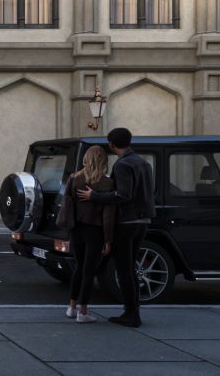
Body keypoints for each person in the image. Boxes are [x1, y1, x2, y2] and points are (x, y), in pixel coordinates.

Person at [77, 126, 154, 328]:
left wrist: (94, 196)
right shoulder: (144, 163)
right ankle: (133, 312)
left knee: (125, 270)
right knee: (130, 269)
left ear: (111, 144)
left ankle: (131, 314)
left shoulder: (123, 165)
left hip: (126, 222)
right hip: (143, 221)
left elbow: (123, 195)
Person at [58, 143, 116, 323]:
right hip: (95, 231)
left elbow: (67, 204)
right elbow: (108, 215)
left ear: (86, 159)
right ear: (103, 160)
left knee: (78, 268)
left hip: (76, 229)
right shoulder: (107, 183)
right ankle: (84, 311)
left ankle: (72, 306)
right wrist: (108, 239)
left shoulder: (74, 178)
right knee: (89, 270)